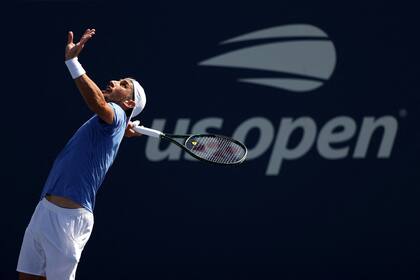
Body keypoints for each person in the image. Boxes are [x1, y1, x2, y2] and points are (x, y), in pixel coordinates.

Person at [16, 28, 146, 280]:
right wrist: (124, 131)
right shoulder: (114, 124)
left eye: (124, 85)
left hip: (69, 218)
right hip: (45, 210)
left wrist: (72, 62)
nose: (114, 82)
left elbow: (97, 102)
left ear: (129, 104)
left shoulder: (116, 114)